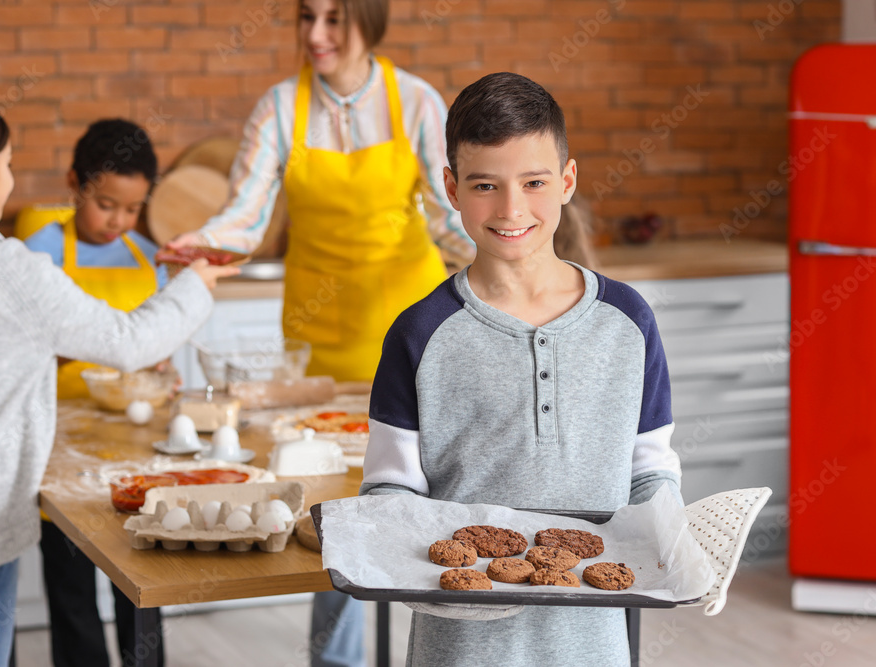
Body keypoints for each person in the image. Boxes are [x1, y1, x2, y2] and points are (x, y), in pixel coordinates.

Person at [0, 97, 238, 666]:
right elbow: (130, 341)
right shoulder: (9, 270)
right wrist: (197, 282)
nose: (13, 177)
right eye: (11, 162)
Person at [171, 1, 474, 664]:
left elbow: (448, 219)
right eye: (307, 16)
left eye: (334, 19)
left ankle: (444, 643)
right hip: (319, 346)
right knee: (335, 510)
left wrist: (505, 251)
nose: (315, 35)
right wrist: (201, 243)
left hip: (411, 337)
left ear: (369, 19)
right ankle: (336, 659)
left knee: (429, 502)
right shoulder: (280, 107)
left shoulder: (417, 102)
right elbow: (245, 215)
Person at [360, 73, 682, 666]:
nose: (511, 209)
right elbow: (390, 489)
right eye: (486, 185)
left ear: (567, 181)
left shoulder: (628, 322)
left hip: (596, 644)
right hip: (459, 643)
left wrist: (678, 544)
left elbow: (650, 469)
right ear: (453, 189)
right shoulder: (418, 334)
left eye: (534, 182)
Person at [14, 119, 169, 667]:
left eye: (132, 209)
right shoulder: (35, 254)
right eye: (106, 205)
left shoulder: (150, 256)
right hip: (60, 452)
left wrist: (160, 367)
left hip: (135, 450)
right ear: (75, 184)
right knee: (71, 588)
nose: (119, 222)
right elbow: (18, 349)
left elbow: (159, 347)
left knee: (144, 583)